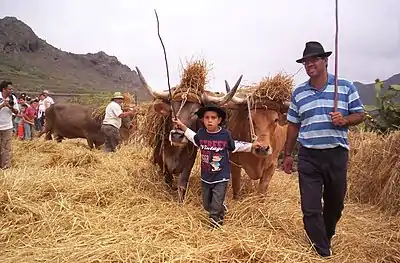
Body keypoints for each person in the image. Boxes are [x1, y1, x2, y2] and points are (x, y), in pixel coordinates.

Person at [282, 41, 366, 257]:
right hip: (309, 155)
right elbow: (293, 125)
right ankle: (322, 251)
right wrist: (288, 155)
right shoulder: (298, 93)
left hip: (336, 154)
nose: (310, 64)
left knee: (335, 205)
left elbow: (360, 114)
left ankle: (325, 236)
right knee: (310, 207)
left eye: (315, 59)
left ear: (325, 61)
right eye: (306, 61)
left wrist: (344, 120)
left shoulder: (344, 87)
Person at [173, 103, 261, 228]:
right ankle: (220, 207)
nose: (210, 120)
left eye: (213, 118)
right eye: (206, 117)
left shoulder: (225, 135)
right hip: (206, 176)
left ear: (219, 120)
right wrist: (181, 125)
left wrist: (251, 146)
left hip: (221, 176)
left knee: (215, 207)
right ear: (202, 120)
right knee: (207, 205)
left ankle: (216, 225)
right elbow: (192, 137)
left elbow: (235, 146)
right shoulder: (201, 134)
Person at [0, 81, 19, 169]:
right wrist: (2, 105)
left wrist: (10, 107)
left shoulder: (13, 98)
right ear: (4, 89)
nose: (11, 90)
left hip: (7, 126)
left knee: (6, 147)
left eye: (11, 89)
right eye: (9, 89)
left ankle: (5, 166)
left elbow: (17, 112)